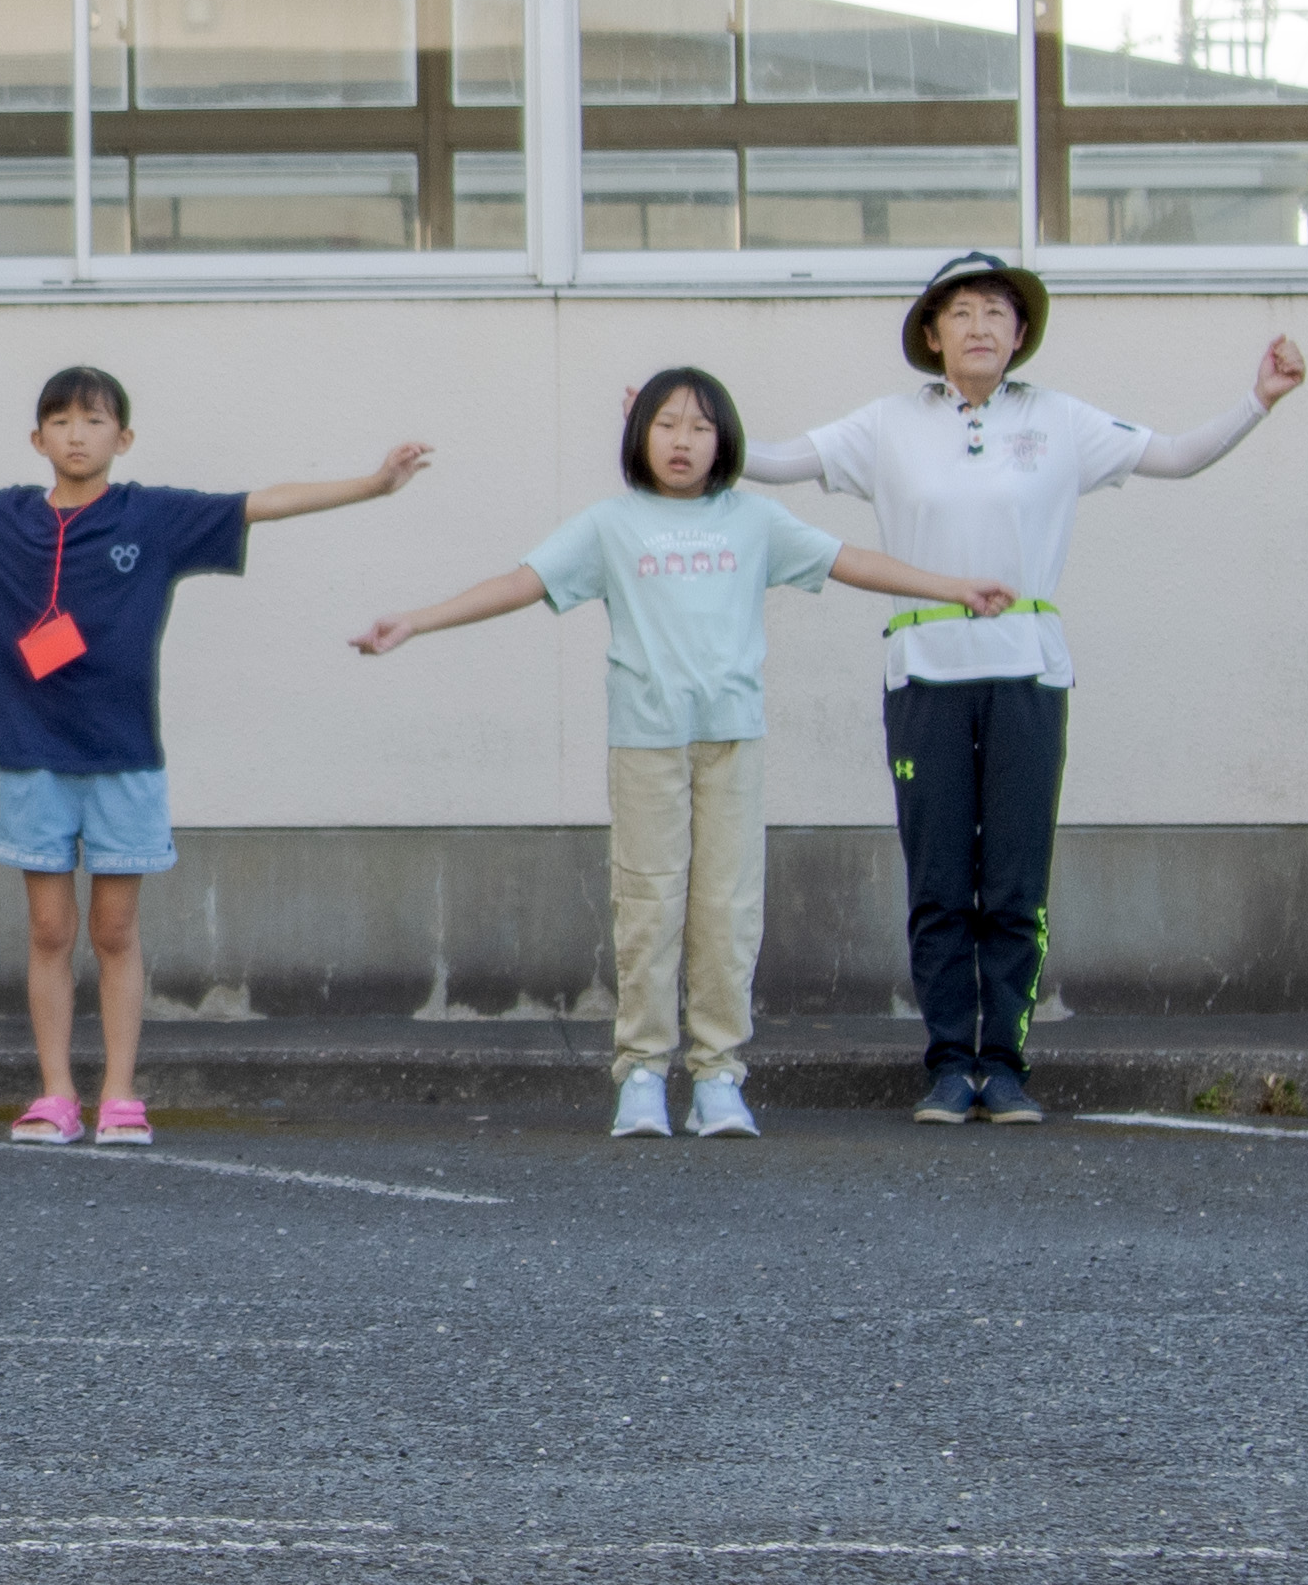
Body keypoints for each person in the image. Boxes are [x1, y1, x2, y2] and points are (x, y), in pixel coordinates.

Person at [0, 365, 419, 1145]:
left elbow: (263, 501)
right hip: (32, 759)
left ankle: (120, 1094)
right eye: (59, 421)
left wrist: (374, 484)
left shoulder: (154, 518)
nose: (76, 435)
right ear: (37, 439)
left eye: (93, 422)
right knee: (50, 930)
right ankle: (56, 1093)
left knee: (116, 931)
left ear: (122, 438)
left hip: (125, 760)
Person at [353, 367, 1010, 1140]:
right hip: (646, 743)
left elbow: (850, 561)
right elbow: (521, 582)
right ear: (641, 435)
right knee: (648, 906)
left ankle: (719, 1077)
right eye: (667, 424)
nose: (683, 441)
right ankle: (640, 1072)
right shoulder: (611, 525)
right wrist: (417, 622)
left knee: (729, 911)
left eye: (700, 427)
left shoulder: (755, 521)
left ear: (723, 441)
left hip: (734, 740)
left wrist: (953, 588)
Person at [744, 254, 1302, 1126]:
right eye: (960, 313)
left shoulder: (1061, 420)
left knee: (1013, 881)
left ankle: (1002, 1063)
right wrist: (684, 427)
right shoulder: (887, 424)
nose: (979, 327)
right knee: (937, 881)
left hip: (1029, 670)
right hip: (925, 673)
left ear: (1020, 334)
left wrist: (1257, 400)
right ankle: (945, 1065)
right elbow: (776, 462)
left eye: (997, 313)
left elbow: (1178, 456)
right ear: (932, 336)